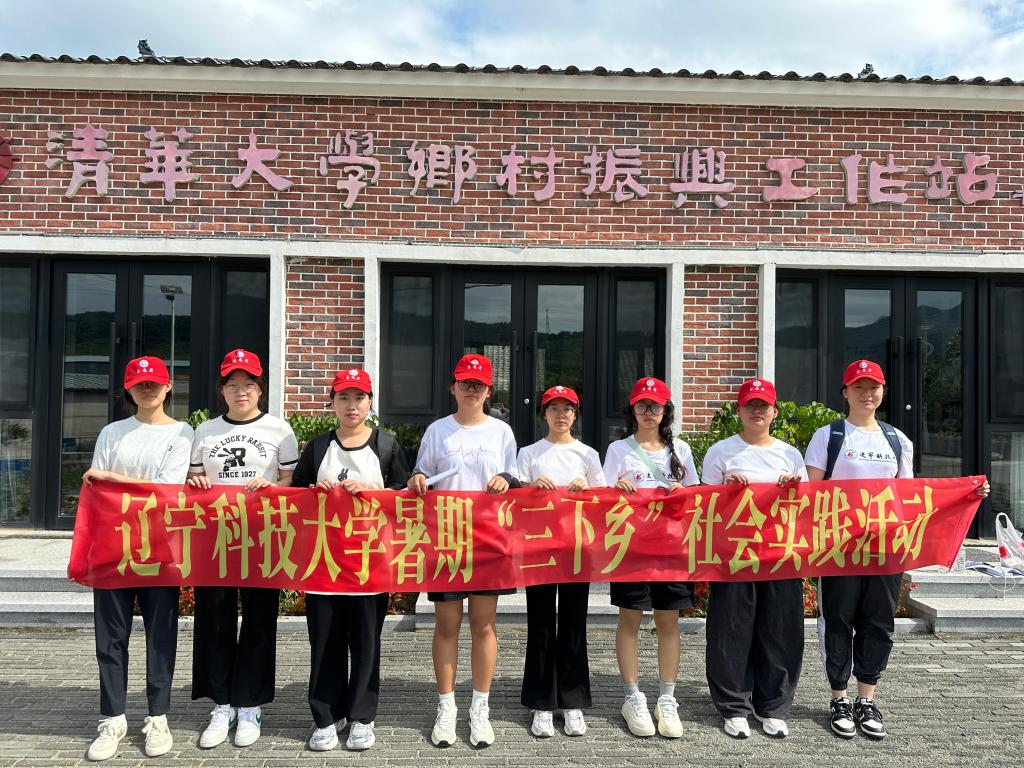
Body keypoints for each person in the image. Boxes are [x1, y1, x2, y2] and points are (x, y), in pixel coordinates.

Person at [805, 359, 989, 740]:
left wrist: (966, 495)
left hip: (885, 550)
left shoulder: (897, 440)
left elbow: (910, 499)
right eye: (858, 386)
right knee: (837, 621)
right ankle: (839, 698)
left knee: (878, 623)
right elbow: (811, 495)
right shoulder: (829, 436)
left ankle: (866, 699)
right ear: (845, 393)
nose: (866, 393)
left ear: (882, 392)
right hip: (839, 549)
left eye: (873, 387)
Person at [290, 368, 410, 752]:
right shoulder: (318, 447)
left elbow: (405, 498)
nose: (351, 405)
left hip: (370, 563)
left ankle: (362, 716)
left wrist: (372, 492)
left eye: (359, 398)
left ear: (370, 402)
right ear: (332, 403)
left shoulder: (386, 446)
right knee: (325, 641)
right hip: (324, 562)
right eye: (343, 397)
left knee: (365, 641)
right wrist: (315, 490)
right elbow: (295, 497)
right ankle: (326, 717)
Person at [81, 356, 193, 761]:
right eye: (139, 383)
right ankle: (112, 718)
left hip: (160, 548)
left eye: (154, 383)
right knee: (110, 637)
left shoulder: (182, 433)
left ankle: (157, 716)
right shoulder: (112, 432)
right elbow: (97, 487)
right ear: (128, 389)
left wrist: (113, 478)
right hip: (114, 546)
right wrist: (110, 481)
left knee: (161, 636)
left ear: (168, 387)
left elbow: (168, 489)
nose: (147, 389)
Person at [187, 349, 299, 749]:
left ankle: (250, 704)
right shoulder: (205, 431)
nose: (241, 392)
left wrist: (272, 487)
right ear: (221, 390)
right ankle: (222, 704)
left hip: (263, 535)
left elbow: (291, 483)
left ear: (260, 389)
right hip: (215, 536)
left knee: (258, 618)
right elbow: (192, 481)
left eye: (249, 384)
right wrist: (195, 483)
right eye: (232, 385)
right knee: (214, 617)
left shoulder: (279, 429)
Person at [407, 353, 519, 749]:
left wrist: (505, 479)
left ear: (489, 391)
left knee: (483, 625)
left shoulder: (501, 431)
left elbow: (514, 474)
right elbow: (421, 473)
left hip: (488, 537)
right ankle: (447, 706)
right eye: (465, 383)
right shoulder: (438, 430)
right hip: (447, 537)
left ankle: (480, 707)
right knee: (447, 624)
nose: (471, 389)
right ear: (453, 387)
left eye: (479, 384)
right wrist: (418, 479)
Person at [701, 377, 807, 740]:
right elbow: (704, 507)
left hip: (781, 554)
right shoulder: (721, 452)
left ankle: (772, 706)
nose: (757, 411)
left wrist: (794, 489)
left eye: (764, 405)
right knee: (731, 630)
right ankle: (734, 707)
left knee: (780, 630)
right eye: (750, 405)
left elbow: (807, 508)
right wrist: (727, 492)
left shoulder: (790, 454)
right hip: (735, 555)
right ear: (739, 411)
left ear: (775, 412)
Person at [602, 377, 698, 739]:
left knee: (668, 621)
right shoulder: (618, 450)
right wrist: (616, 490)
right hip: (631, 547)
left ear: (665, 411)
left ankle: (667, 698)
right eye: (641, 405)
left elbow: (695, 497)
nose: (648, 412)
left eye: (655, 406)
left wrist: (681, 491)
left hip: (671, 548)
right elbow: (603, 498)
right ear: (632, 410)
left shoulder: (680, 450)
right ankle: (632, 696)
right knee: (630, 619)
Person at [516, 385, 605, 738]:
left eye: (567, 408)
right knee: (540, 623)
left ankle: (572, 701)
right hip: (538, 548)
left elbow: (605, 501)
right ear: (544, 414)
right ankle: (540, 703)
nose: (561, 414)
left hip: (577, 547)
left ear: (575, 414)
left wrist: (589, 489)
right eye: (553, 408)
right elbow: (514, 500)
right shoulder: (529, 453)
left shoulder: (588, 455)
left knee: (573, 623)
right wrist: (530, 488)